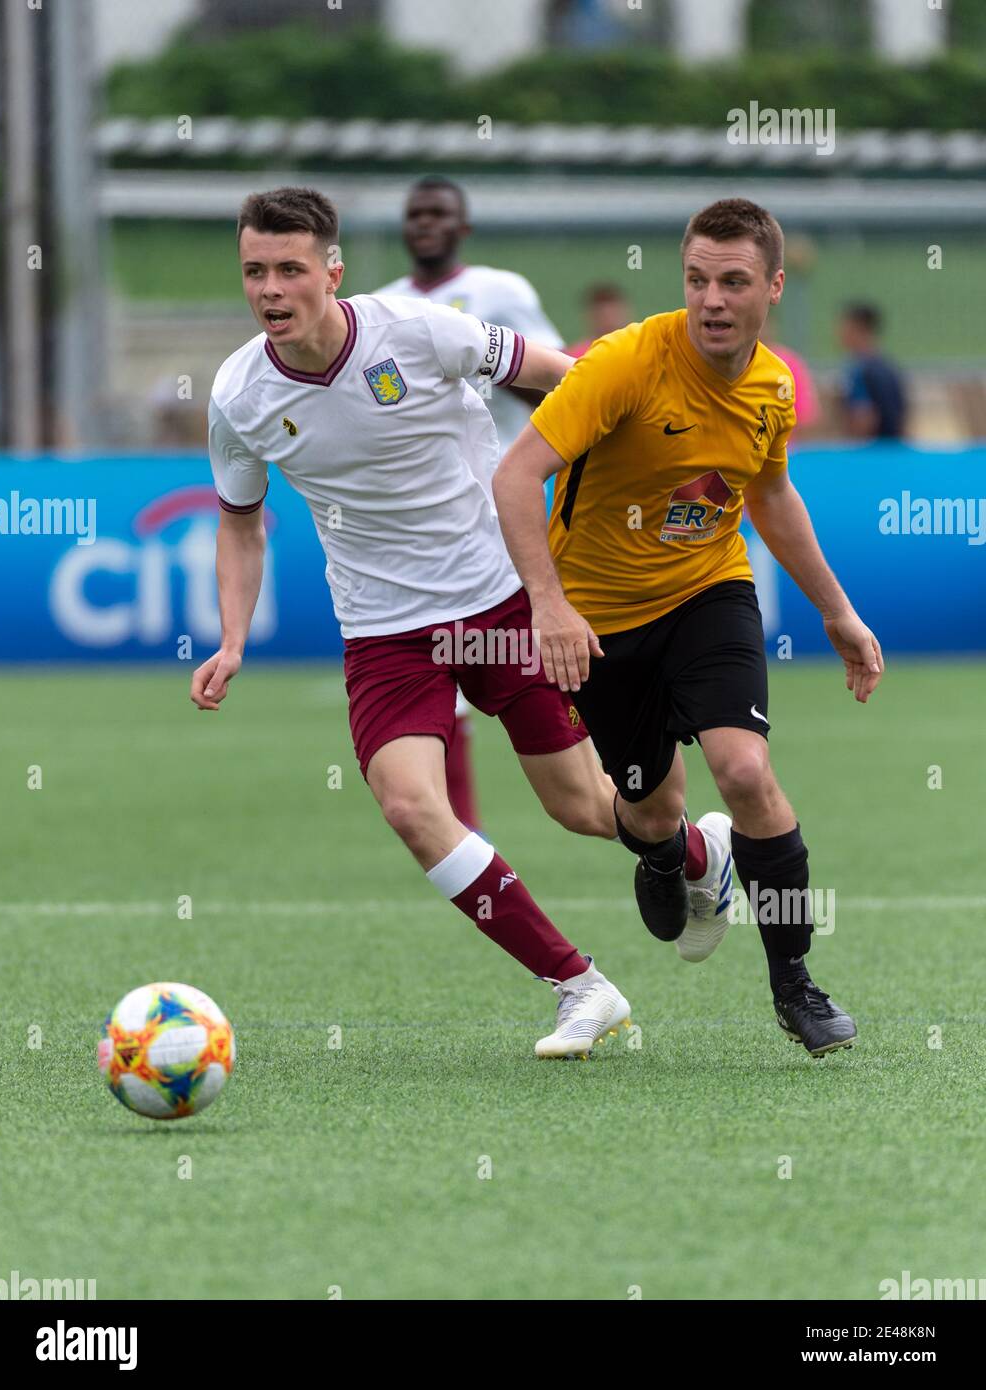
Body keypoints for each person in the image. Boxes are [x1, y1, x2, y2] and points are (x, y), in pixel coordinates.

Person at [190, 185, 662, 1059]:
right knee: (412, 806)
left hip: (500, 598)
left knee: (592, 811)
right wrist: (231, 638)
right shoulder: (237, 395)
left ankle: (698, 857)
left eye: (290, 269)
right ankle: (580, 986)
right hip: (384, 633)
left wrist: (642, 458)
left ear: (332, 272)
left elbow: (567, 377)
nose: (271, 289)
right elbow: (241, 521)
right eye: (255, 271)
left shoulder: (420, 329)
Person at [494, 197, 885, 1058]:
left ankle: (796, 985)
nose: (713, 299)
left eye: (734, 282)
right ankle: (673, 855)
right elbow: (516, 478)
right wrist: (549, 605)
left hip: (710, 591)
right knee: (645, 807)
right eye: (698, 280)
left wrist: (838, 611)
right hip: (599, 624)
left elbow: (770, 495)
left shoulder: (774, 385)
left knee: (745, 770)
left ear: (773, 287)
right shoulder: (622, 365)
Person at [375, 175, 565, 831]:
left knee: (544, 659)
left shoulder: (500, 292)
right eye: (415, 214)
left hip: (504, 505)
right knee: (440, 666)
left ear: (464, 228)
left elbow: (557, 380)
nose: (424, 223)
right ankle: (468, 839)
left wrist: (494, 374)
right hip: (427, 521)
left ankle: (635, 796)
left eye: (438, 213)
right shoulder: (381, 306)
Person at [837, 303, 907, 440]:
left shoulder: (860, 371)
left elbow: (863, 418)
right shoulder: (889, 367)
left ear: (859, 329)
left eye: (844, 327)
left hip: (870, 453)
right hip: (891, 449)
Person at [565, 284, 633, 359]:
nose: (608, 318)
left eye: (612, 312)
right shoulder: (575, 356)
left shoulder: (639, 349)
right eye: (602, 313)